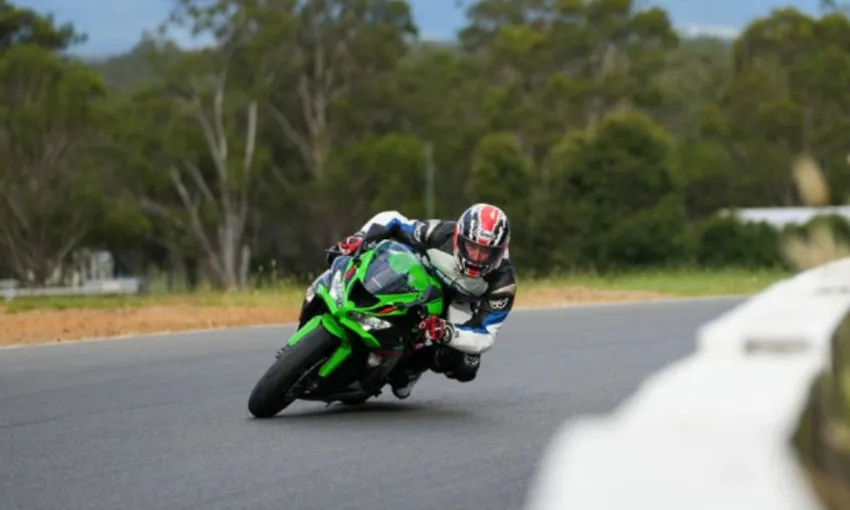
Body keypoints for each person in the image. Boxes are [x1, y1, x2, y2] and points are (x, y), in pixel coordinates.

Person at [322, 203, 517, 399]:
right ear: (458, 238)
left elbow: (486, 335)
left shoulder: (503, 283)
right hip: (420, 276)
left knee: (467, 365)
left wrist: (446, 332)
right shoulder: (439, 234)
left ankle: (414, 366)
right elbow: (393, 219)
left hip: (458, 303)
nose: (476, 257)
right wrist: (359, 237)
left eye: (486, 251)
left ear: (500, 251)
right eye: (471, 246)